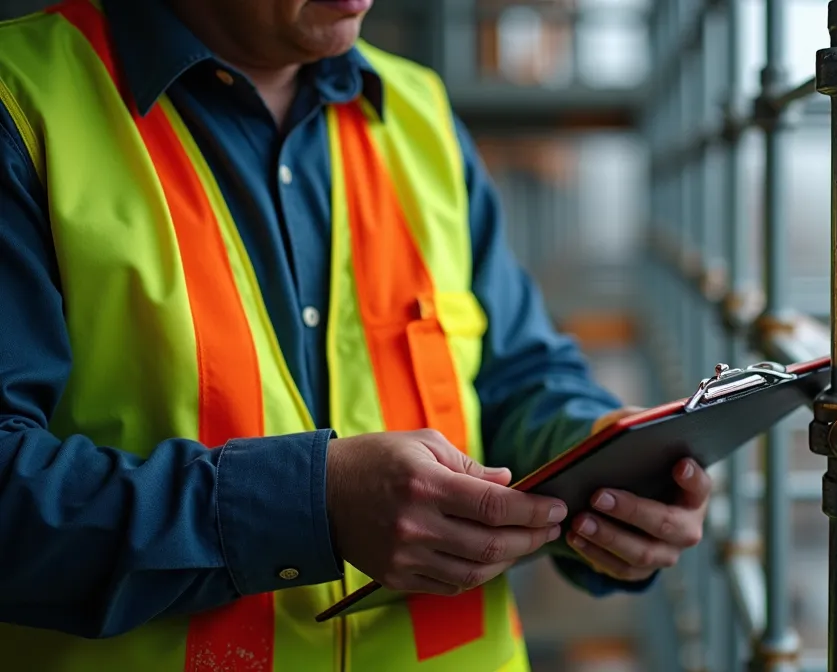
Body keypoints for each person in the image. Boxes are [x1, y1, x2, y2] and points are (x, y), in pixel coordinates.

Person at [0, 0, 710, 669]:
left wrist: (600, 469)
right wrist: (314, 506)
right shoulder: (23, 104)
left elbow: (515, 377)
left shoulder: (417, 110)